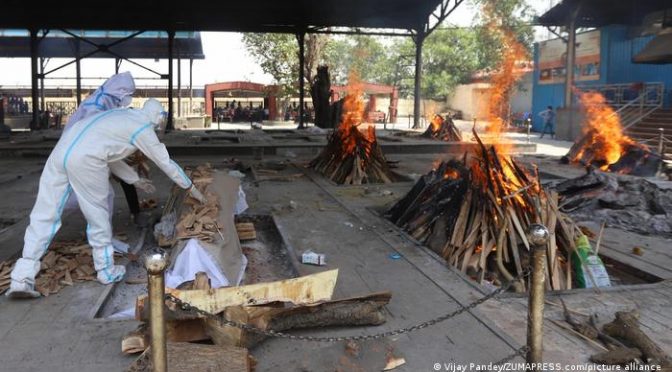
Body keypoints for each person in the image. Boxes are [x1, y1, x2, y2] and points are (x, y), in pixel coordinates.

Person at [6, 99, 206, 298]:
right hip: (87, 160)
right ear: (157, 117)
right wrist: (191, 188)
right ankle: (106, 270)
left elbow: (109, 152)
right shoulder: (143, 127)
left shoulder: (121, 116)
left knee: (44, 214)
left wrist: (135, 180)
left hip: (61, 152)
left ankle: (21, 278)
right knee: (97, 215)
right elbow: (166, 163)